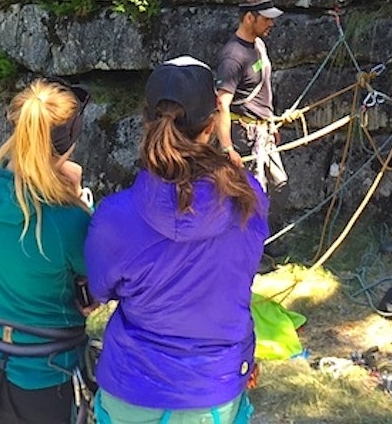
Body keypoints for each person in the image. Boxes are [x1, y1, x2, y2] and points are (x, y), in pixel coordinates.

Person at [86, 56, 268, 424]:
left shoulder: (115, 216)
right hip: (214, 389)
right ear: (212, 123)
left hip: (132, 388)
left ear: (147, 120)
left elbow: (99, 289)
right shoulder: (248, 197)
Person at [0, 79, 94, 423]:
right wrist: (78, 198)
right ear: (69, 142)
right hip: (48, 375)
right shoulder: (68, 220)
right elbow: (95, 291)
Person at [216, 0, 288, 241]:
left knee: (278, 185)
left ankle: (264, 239)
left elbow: (263, 89)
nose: (271, 24)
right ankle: (248, 246)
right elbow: (222, 104)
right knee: (250, 195)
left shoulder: (258, 46)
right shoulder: (233, 57)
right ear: (249, 18)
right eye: (266, 19)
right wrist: (228, 148)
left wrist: (271, 122)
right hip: (244, 136)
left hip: (263, 131)